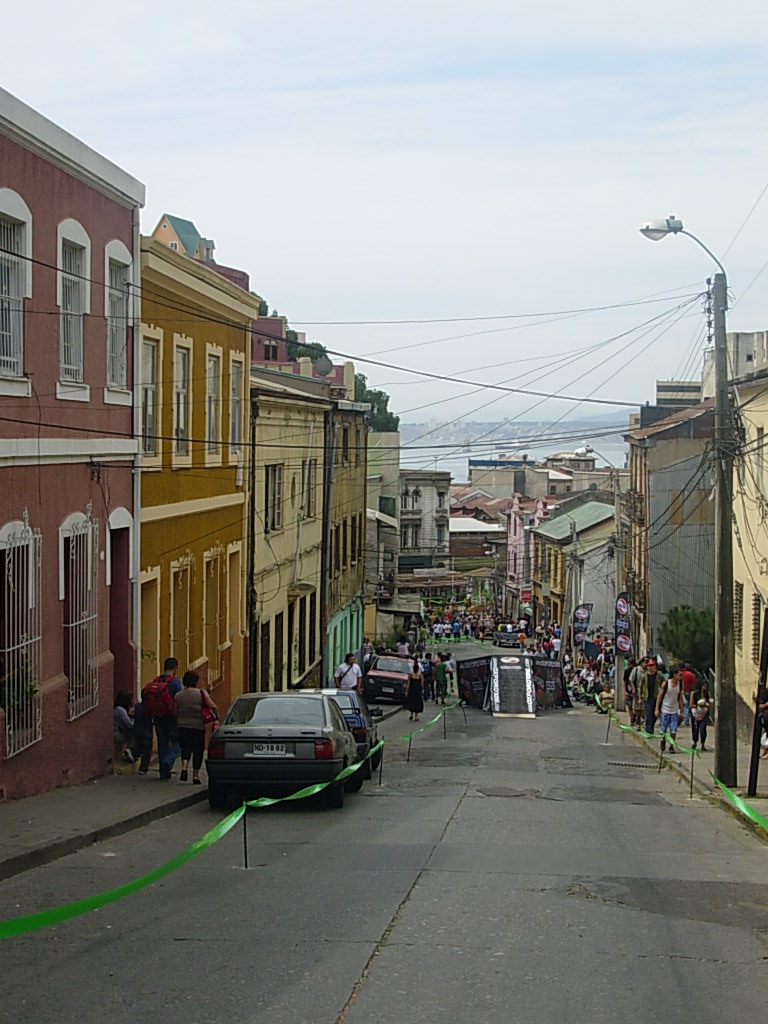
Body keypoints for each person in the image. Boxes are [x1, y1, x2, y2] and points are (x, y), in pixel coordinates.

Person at [174, 670, 218, 784]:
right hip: (198, 726)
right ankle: (195, 775)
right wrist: (216, 717)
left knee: (185, 748)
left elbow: (175, 711)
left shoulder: (178, 695)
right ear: (195, 681)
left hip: (182, 725)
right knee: (198, 750)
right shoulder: (201, 693)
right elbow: (212, 706)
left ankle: (184, 768)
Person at [145, 658, 183, 779]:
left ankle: (163, 772)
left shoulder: (156, 680)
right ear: (175, 668)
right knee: (179, 741)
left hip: (158, 717)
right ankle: (168, 760)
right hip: (171, 717)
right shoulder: (176, 683)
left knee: (162, 743)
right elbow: (180, 700)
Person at [656, 665, 684, 754]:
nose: (681, 676)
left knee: (673, 729)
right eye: (679, 674)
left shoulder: (680, 684)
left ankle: (671, 746)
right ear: (674, 674)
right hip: (665, 709)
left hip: (674, 710)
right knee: (663, 728)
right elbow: (659, 697)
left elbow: (680, 698)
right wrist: (657, 709)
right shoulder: (666, 684)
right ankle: (662, 741)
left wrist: (682, 711)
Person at [691, 678, 713, 752]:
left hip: (704, 713)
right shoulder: (694, 693)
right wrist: (698, 705)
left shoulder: (707, 693)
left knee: (703, 728)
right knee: (695, 728)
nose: (705, 686)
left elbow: (710, 703)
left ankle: (703, 743)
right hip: (696, 713)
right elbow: (691, 704)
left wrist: (706, 704)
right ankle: (694, 741)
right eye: (703, 685)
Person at [639, 656, 660, 734]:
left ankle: (650, 726)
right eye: (649, 666)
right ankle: (649, 729)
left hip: (656, 697)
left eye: (652, 666)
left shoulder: (659, 675)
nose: (651, 668)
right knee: (648, 713)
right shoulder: (644, 676)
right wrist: (640, 697)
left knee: (655, 714)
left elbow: (664, 684)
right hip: (647, 697)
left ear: (655, 667)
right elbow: (640, 687)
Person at [113, 691, 135, 760]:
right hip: (117, 733)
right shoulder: (120, 710)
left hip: (119, 731)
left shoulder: (118, 709)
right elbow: (129, 724)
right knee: (136, 733)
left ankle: (129, 751)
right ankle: (129, 749)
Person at [680, 662, 697, 726]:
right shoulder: (691, 674)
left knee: (684, 705)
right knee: (688, 705)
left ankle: (683, 719)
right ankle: (687, 720)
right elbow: (694, 683)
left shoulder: (680, 674)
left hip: (682, 691)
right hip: (689, 691)